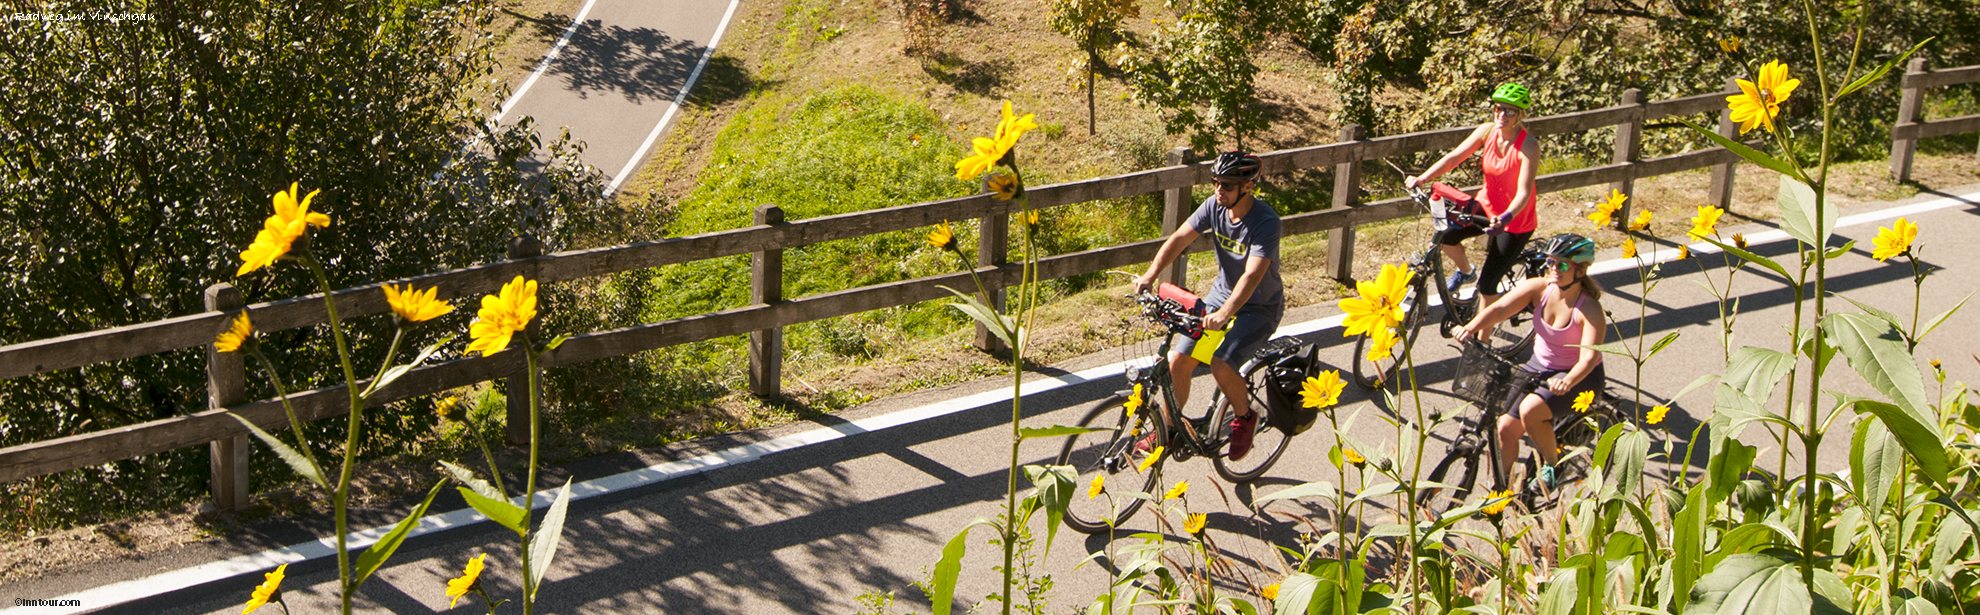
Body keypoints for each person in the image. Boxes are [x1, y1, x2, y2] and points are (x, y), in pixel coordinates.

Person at [1131, 151, 1285, 461]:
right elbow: (1179, 238)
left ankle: (1245, 416)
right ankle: (1170, 431)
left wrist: (1226, 313)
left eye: (1227, 185)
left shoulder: (1266, 221)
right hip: (1219, 298)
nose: (1219, 190)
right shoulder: (1215, 206)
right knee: (1178, 361)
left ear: (1248, 187)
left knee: (1221, 363)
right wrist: (1150, 275)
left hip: (1259, 307)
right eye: (1215, 182)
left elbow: (1253, 275)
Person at [1454, 233, 1606, 491]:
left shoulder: (1588, 309)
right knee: (1505, 429)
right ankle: (1501, 490)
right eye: (1551, 262)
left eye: (1563, 265)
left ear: (1580, 270)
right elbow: (1501, 309)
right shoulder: (1539, 288)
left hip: (1579, 376)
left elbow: (1589, 358)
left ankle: (1552, 464)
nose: (1554, 269)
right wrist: (1471, 327)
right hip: (1539, 366)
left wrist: (1567, 380)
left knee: (1530, 411)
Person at [1405, 83, 1542, 309]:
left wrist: (1507, 217)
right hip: (1486, 207)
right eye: (1499, 108)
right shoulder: (1487, 131)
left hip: (1514, 221)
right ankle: (1466, 272)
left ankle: (1479, 340)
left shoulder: (1528, 145)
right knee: (1446, 237)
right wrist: (1422, 178)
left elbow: (1524, 192)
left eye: (1510, 111)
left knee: (1488, 286)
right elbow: (1454, 157)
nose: (1502, 115)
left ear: (1521, 115)